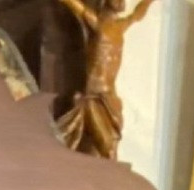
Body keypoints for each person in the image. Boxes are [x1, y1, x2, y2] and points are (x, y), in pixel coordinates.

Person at [55, 0, 157, 158]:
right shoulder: (96, 23)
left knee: (108, 146)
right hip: (93, 99)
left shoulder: (121, 26)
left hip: (110, 100)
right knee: (109, 150)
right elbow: (75, 5)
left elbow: (137, 14)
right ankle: (114, 180)